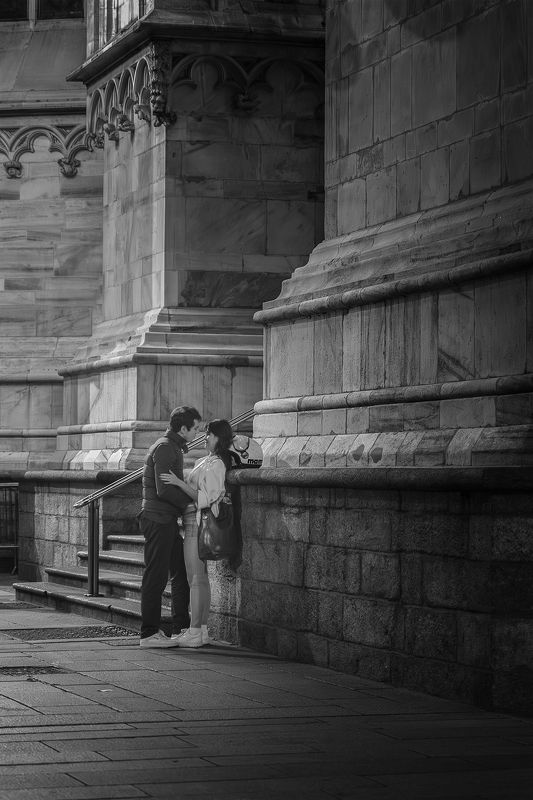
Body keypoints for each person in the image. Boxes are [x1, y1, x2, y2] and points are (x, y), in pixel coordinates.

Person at [160, 418, 234, 648]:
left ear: (220, 438)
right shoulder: (206, 461)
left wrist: (178, 483)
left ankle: (195, 630)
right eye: (205, 433)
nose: (205, 437)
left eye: (210, 434)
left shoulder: (217, 464)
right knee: (199, 578)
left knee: (196, 578)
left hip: (198, 522)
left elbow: (206, 498)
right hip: (192, 520)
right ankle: (200, 630)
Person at [139, 406, 202, 648]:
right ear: (183, 428)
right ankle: (148, 634)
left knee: (180, 572)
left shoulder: (172, 446)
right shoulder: (165, 447)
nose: (197, 433)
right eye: (195, 428)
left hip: (165, 519)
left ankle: (180, 627)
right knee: (155, 576)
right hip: (158, 519)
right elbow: (164, 489)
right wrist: (188, 504)